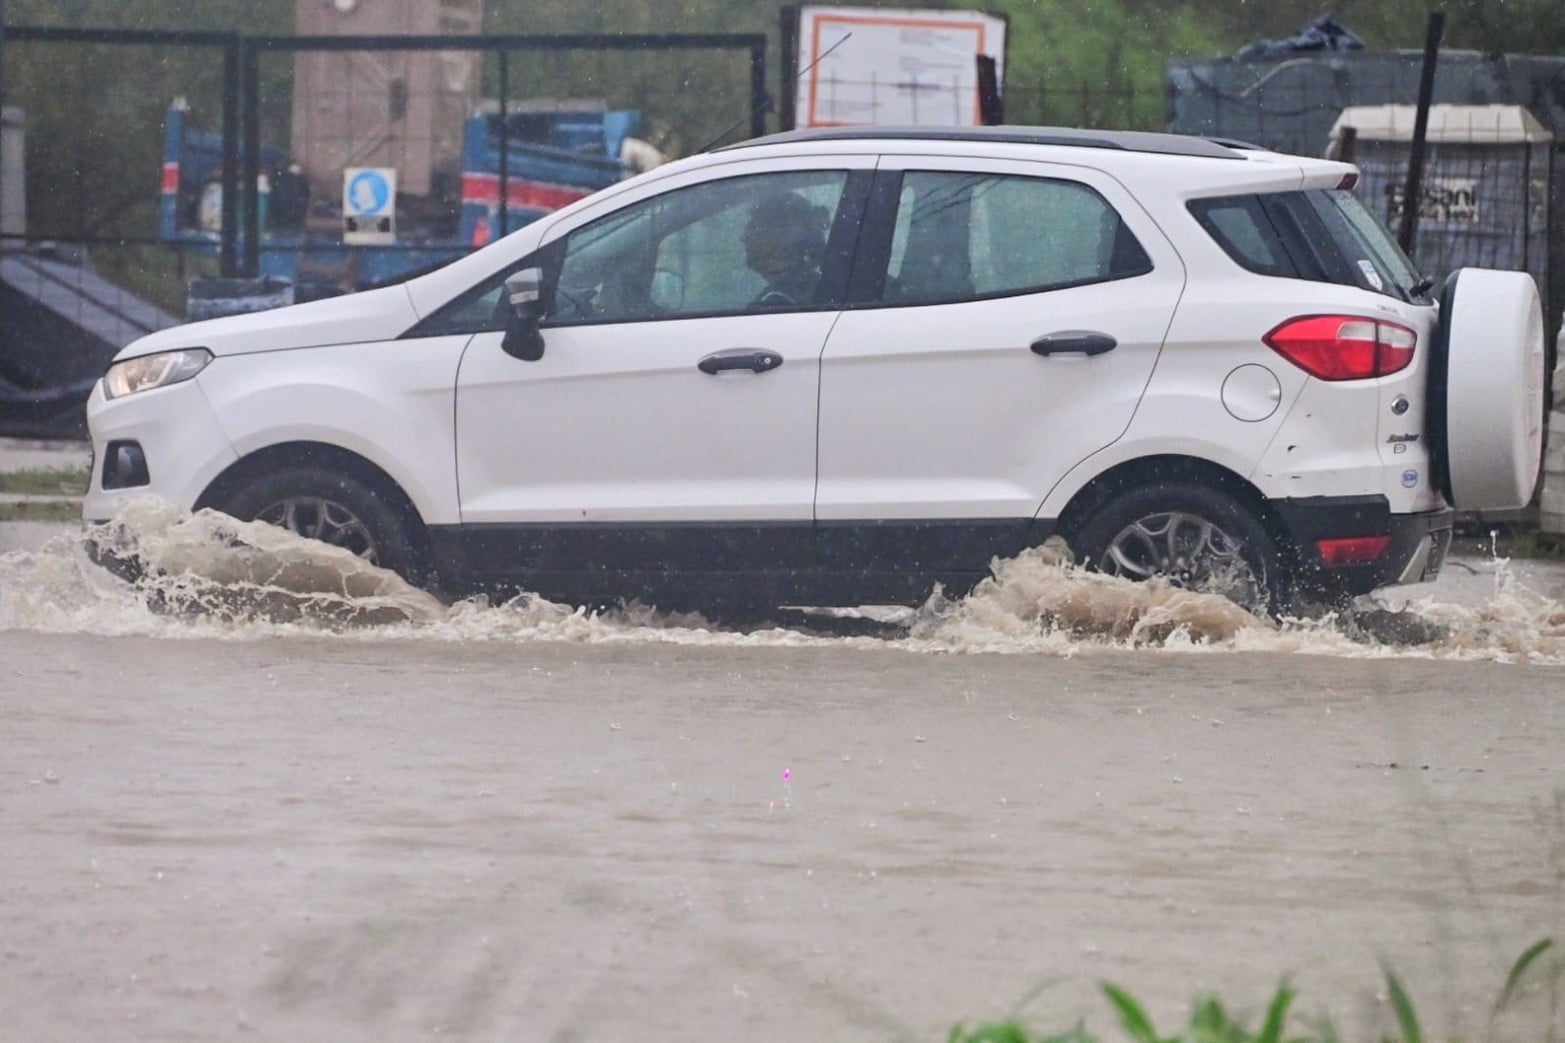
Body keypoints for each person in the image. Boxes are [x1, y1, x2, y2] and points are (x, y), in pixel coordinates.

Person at [741, 192, 829, 307]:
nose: (743, 237)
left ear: (783, 237)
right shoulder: (810, 285)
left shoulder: (777, 303)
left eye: (754, 228)